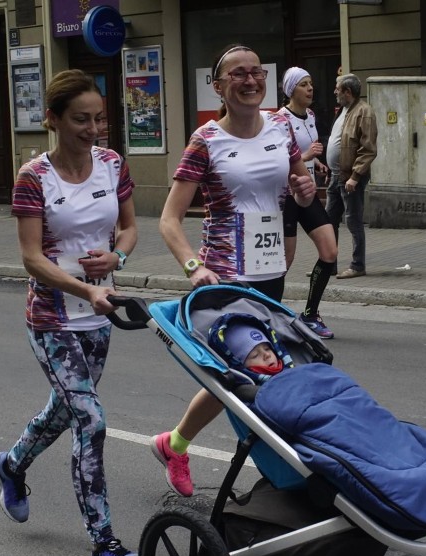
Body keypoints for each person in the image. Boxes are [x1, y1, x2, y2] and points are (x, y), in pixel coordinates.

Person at [0, 69, 139, 556]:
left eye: (98, 119)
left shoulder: (112, 164)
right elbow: (31, 258)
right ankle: (104, 545)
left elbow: (131, 229)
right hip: (52, 318)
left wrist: (116, 259)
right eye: (80, 119)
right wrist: (85, 288)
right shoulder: (34, 177)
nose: (92, 129)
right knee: (90, 421)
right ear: (52, 119)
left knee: (66, 410)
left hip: (97, 318)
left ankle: (10, 466)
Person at [153, 44, 316, 498]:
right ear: (219, 86)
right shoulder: (206, 141)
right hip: (225, 276)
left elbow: (300, 189)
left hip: (270, 272)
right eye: (237, 74)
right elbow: (169, 219)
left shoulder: (282, 127)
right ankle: (278, 471)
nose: (249, 80)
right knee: (256, 375)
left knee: (245, 376)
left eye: (256, 73)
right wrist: (194, 267)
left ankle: (175, 444)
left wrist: (305, 190)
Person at [277, 67, 338, 339]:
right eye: (303, 84)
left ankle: (310, 314)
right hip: (288, 195)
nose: (310, 88)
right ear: (291, 90)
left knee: (330, 251)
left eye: (311, 83)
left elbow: (307, 156)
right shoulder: (279, 120)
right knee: (284, 261)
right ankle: (264, 311)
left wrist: (317, 162)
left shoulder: (310, 116)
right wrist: (306, 154)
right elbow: (280, 160)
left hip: (309, 193)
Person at [325, 73, 378, 279]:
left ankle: (358, 265)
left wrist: (355, 176)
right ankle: (329, 265)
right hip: (336, 175)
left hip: (349, 177)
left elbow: (368, 149)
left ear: (347, 92)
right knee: (329, 221)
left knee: (354, 222)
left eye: (338, 88)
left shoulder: (364, 112)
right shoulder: (344, 110)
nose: (335, 92)